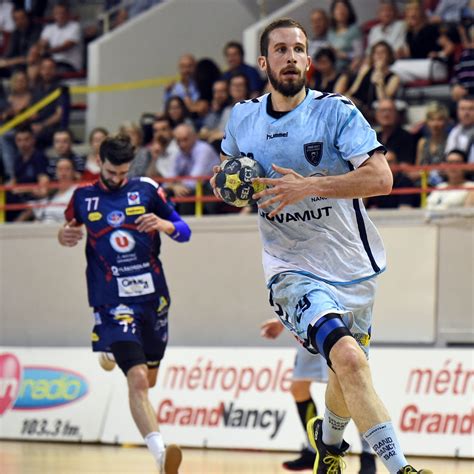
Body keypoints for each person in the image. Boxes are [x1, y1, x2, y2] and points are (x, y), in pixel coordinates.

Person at [211, 17, 432, 474]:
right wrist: (227, 186)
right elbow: (226, 178)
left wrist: (309, 187)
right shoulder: (242, 118)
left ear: (308, 60)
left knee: (345, 372)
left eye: (298, 49)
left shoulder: (337, 111)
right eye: (280, 49)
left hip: (352, 264)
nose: (290, 57)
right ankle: (403, 469)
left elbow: (381, 179)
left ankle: (329, 447)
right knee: (348, 357)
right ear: (263, 62)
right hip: (290, 268)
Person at [57, 134, 190, 474]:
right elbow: (67, 228)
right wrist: (65, 235)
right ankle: (160, 455)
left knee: (151, 377)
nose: (118, 179)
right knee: (138, 380)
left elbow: (184, 230)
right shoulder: (83, 198)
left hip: (153, 298)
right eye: (112, 172)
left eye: (124, 172)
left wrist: (164, 224)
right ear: (98, 162)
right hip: (112, 301)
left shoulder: (146, 189)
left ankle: (108, 349)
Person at [261, 317, 377, 474]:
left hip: (339, 321)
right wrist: (283, 320)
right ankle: (314, 451)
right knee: (298, 388)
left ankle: (367, 455)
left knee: (353, 390)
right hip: (311, 323)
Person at [37, 2, 83, 72]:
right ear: (53, 15)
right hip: (51, 63)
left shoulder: (75, 26)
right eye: (57, 13)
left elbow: (65, 46)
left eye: (62, 13)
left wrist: (47, 51)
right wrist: (43, 46)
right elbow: (42, 43)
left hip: (69, 64)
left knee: (50, 70)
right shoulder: (49, 28)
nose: (60, 16)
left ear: (68, 14)